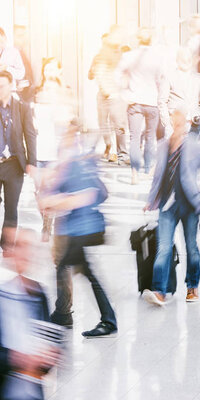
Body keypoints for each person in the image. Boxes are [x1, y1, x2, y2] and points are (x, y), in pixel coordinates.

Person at [39, 121, 116, 338]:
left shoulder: (75, 163)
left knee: (66, 267)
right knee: (84, 271)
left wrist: (55, 200)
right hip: (79, 229)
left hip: (81, 229)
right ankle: (102, 318)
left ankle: (72, 315)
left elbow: (88, 194)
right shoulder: (76, 161)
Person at [142, 106, 200, 306]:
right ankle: (159, 290)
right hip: (166, 205)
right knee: (163, 248)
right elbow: (158, 176)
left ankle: (192, 286)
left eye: (180, 123)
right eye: (174, 122)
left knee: (191, 247)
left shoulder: (193, 145)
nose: (177, 126)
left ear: (186, 125)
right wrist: (150, 200)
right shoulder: (164, 145)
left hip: (189, 204)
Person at [0, 229, 61, 400]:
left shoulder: (38, 293)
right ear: (8, 252)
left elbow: (49, 346)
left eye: (31, 247)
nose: (27, 253)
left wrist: (50, 356)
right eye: (21, 246)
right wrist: (16, 358)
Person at [115, 27, 166, 185]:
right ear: (152, 40)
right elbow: (162, 79)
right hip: (152, 101)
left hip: (134, 100)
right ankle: (148, 169)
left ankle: (134, 174)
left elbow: (116, 75)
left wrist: (125, 93)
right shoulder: (158, 57)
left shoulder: (129, 56)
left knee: (134, 138)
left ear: (138, 39)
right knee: (150, 138)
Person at [33, 58, 76, 242]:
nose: (49, 72)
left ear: (59, 71)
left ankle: (49, 225)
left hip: (56, 151)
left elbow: (69, 121)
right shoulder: (36, 93)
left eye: (53, 69)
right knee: (39, 192)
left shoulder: (65, 93)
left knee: (53, 190)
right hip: (38, 149)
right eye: (46, 69)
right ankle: (46, 219)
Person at [0, 70, 36, 253]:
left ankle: (7, 246)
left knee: (11, 207)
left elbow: (30, 135)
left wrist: (32, 162)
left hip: (14, 163)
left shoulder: (22, 107)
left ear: (11, 86)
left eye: (2, 85)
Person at [89, 32, 127, 164]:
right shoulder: (98, 57)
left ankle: (120, 152)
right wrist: (95, 71)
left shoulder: (120, 56)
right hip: (102, 95)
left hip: (115, 94)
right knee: (103, 123)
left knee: (117, 123)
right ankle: (109, 147)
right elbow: (90, 75)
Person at [158, 47, 200, 139]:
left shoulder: (198, 77)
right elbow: (162, 101)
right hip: (174, 124)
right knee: (175, 153)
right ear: (178, 60)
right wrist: (167, 123)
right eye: (183, 58)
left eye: (188, 58)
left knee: (192, 152)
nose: (186, 61)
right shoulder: (168, 76)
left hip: (194, 124)